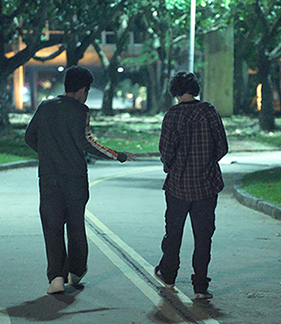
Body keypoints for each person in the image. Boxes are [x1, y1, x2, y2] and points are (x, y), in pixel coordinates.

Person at [25, 66, 135, 294]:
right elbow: (88, 143)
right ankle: (75, 272)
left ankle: (56, 277)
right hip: (74, 178)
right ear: (83, 89)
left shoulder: (45, 107)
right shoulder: (80, 111)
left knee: (52, 226)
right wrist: (119, 155)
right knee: (75, 226)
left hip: (48, 177)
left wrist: (47, 153)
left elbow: (29, 136)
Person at [154, 71, 228, 300]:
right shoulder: (209, 112)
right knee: (203, 236)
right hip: (206, 185)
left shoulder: (172, 116)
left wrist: (173, 167)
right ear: (195, 89)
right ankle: (200, 287)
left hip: (178, 186)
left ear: (175, 91)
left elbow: (165, 151)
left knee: (173, 232)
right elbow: (222, 147)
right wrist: (206, 162)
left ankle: (168, 275)